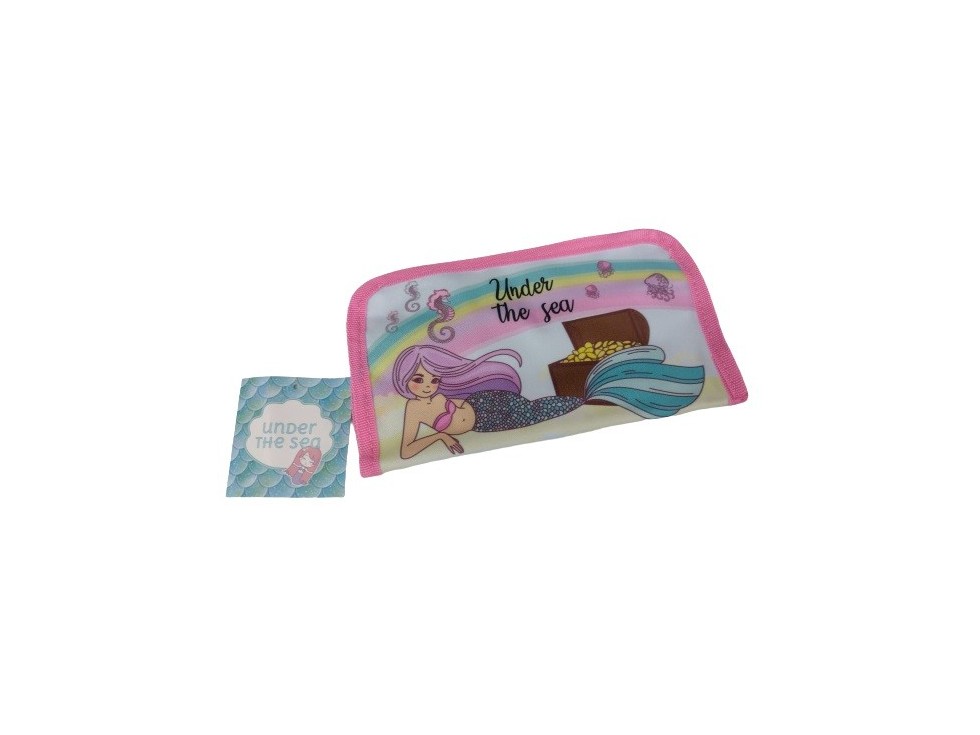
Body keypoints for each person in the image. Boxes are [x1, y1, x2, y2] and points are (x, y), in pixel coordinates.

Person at [393, 344, 704, 460]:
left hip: (490, 402)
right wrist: (440, 436)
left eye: (433, 379)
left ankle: (600, 391)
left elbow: (462, 397)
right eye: (418, 379)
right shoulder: (413, 409)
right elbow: (405, 451)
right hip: (491, 422)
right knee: (548, 410)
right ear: (404, 379)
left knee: (549, 408)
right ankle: (606, 388)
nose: (428, 385)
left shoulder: (442, 392)